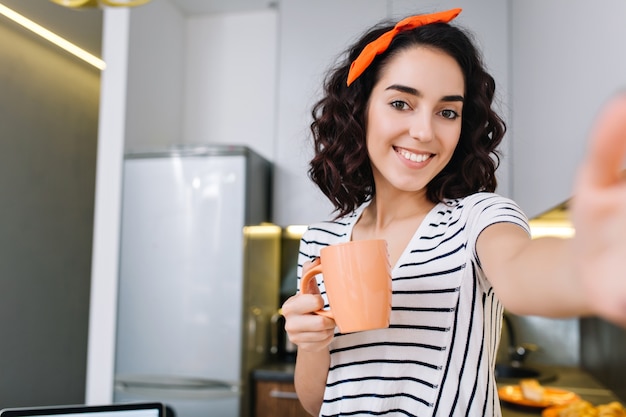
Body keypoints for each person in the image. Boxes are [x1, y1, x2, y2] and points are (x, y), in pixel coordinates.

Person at [281, 7, 626, 417]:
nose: (425, 131)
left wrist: (589, 267)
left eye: (448, 112)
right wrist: (311, 344)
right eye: (401, 103)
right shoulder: (321, 241)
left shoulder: (478, 218)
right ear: (361, 109)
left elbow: (520, 272)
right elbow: (317, 400)